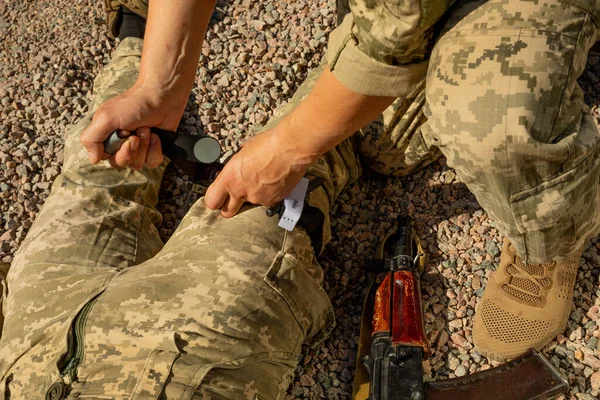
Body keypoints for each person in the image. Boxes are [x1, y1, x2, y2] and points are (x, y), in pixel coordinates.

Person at [0, 0, 598, 398]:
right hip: (38, 363)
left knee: (478, 119)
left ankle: (545, 233)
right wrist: (159, 84)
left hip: (170, 353)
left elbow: (397, 24)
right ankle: (140, 43)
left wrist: (292, 146)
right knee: (104, 155)